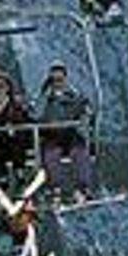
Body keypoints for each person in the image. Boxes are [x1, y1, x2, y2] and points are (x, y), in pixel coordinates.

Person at [35, 61, 95, 201]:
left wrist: (85, 116)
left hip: (70, 133)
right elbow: (36, 114)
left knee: (80, 152)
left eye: (60, 79)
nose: (57, 83)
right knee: (51, 155)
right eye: (54, 80)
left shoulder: (73, 95)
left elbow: (86, 109)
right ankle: (56, 187)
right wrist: (45, 95)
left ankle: (83, 187)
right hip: (51, 134)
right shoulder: (44, 97)